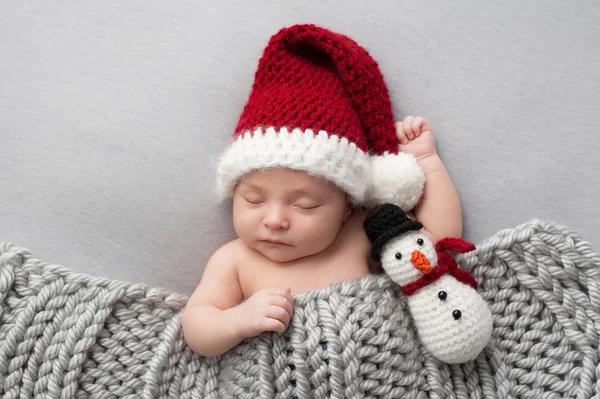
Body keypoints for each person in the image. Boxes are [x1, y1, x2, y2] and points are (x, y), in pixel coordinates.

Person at [181, 24, 461, 357]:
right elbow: (197, 326)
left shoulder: (361, 232)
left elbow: (439, 242)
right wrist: (238, 320)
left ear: (346, 207)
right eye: (253, 199)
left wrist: (426, 161)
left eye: (305, 205)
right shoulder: (235, 260)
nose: (274, 219)